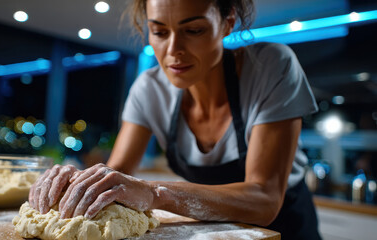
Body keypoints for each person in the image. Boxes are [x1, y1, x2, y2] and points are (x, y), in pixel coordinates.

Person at [29, 0, 322, 239]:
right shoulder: (149, 88)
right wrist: (79, 180)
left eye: (193, 30)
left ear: (227, 24)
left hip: (284, 228)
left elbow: (264, 199)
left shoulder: (272, 67)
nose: (173, 51)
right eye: (159, 32)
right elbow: (115, 174)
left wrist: (155, 192)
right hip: (212, 231)